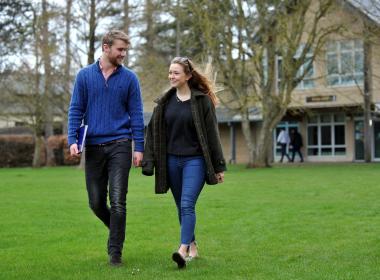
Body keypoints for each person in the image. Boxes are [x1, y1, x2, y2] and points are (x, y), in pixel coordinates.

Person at [67, 30, 144, 266]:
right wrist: (73, 140)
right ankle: (117, 229)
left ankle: (115, 254)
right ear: (106, 47)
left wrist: (138, 147)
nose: (123, 54)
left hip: (121, 144)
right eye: (120, 49)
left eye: (125, 50)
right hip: (93, 146)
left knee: (119, 200)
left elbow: (137, 115)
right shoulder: (84, 76)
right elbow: (76, 110)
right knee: (96, 202)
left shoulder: (130, 78)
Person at [142, 57, 226, 269]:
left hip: (195, 161)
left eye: (176, 73)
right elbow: (152, 133)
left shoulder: (202, 101)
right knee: (182, 207)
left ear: (188, 76)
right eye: (170, 72)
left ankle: (182, 249)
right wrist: (148, 160)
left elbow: (212, 135)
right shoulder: (164, 103)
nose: (171, 76)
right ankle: (193, 245)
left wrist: (219, 167)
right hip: (171, 162)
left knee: (188, 203)